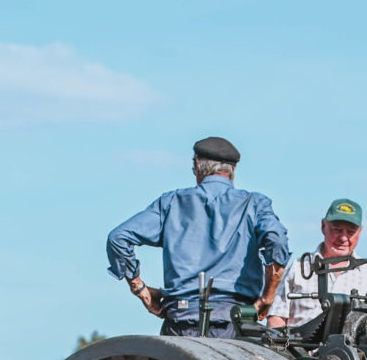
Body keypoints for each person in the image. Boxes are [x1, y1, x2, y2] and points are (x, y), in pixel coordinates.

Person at [107, 137, 290, 337]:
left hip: (180, 321)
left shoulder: (171, 203)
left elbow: (118, 237)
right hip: (234, 323)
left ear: (197, 166)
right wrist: (268, 297)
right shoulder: (254, 204)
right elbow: (276, 238)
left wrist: (139, 288)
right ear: (233, 171)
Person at [268, 198, 367, 329]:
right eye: (337, 229)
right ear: (323, 226)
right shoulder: (298, 267)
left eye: (351, 232)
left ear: (360, 232)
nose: (343, 238)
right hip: (298, 348)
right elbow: (276, 318)